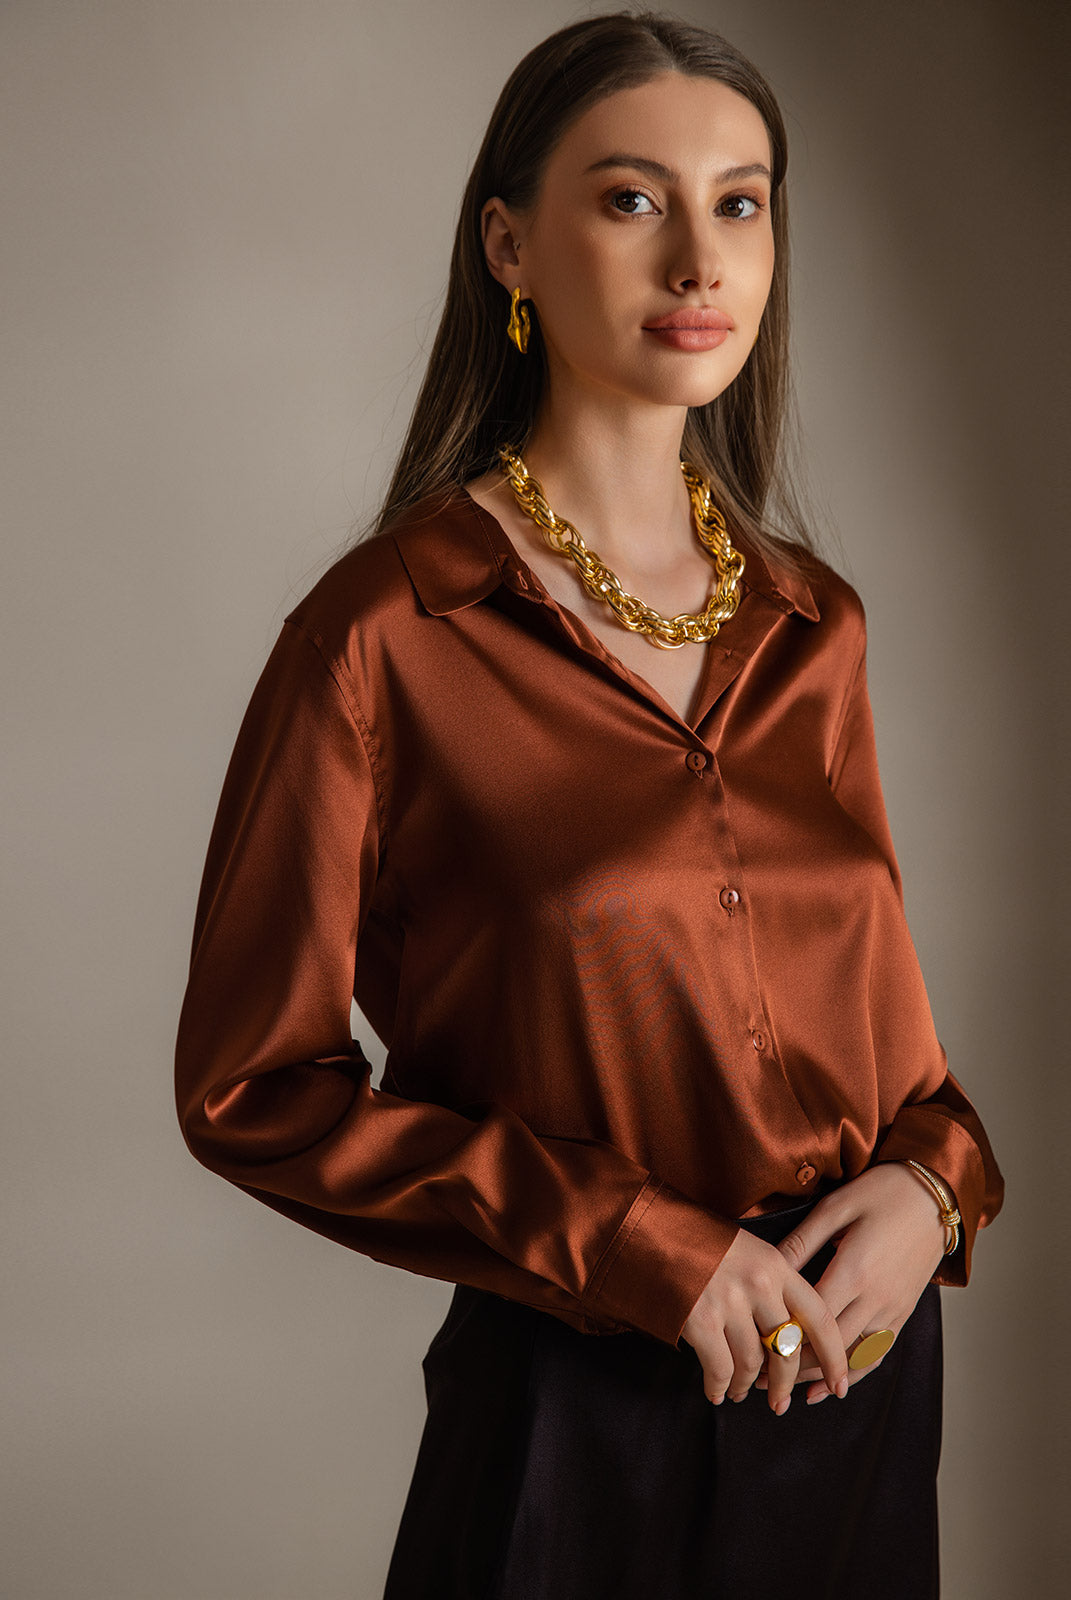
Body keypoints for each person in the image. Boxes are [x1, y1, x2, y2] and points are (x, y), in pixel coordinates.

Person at [174, 10, 1004, 1598]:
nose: (699, 259)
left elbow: (908, 1075)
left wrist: (933, 1190)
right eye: (633, 200)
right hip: (578, 1413)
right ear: (509, 245)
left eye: (740, 203)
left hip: (856, 1392)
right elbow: (250, 1087)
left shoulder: (813, 628)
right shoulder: (383, 636)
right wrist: (637, 1247)